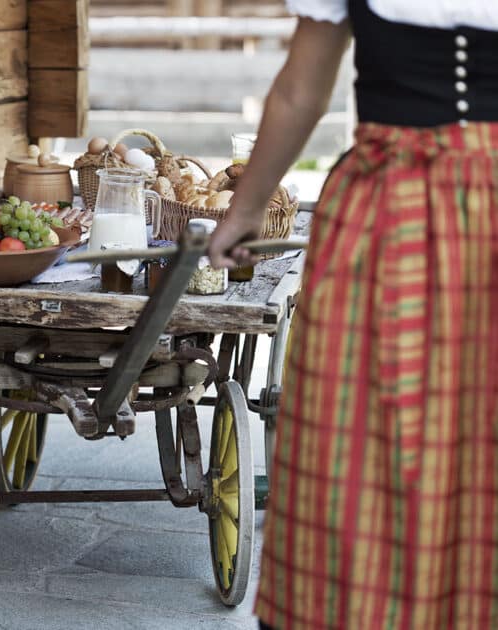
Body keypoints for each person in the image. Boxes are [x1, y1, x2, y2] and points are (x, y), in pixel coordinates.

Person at [208, 1, 498, 628]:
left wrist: (245, 208)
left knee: (358, 433)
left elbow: (300, 91)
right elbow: (299, 94)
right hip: (426, 212)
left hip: (392, 210)